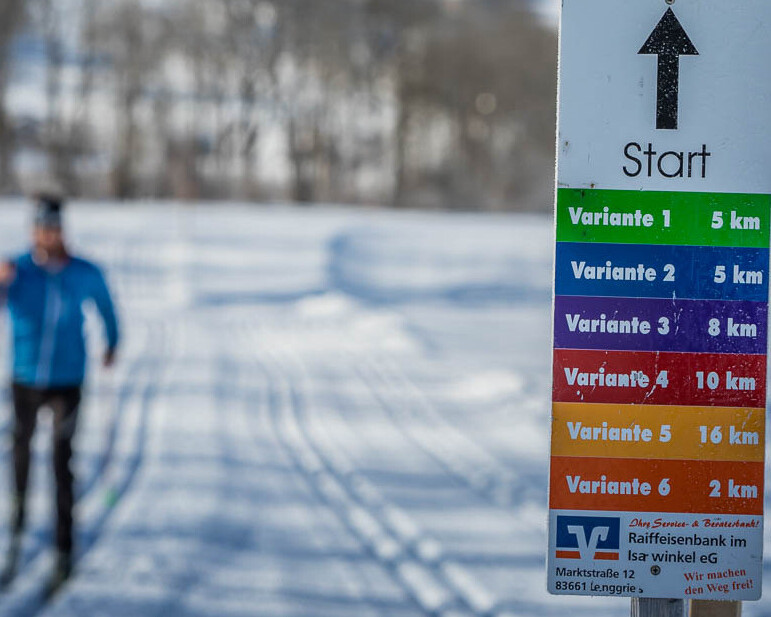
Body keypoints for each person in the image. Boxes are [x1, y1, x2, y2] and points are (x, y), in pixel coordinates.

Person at [0, 195, 120, 596]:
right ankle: (14, 532)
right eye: (41, 227)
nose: (48, 235)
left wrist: (112, 344)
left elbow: (107, 309)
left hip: (68, 380)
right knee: (20, 453)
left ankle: (65, 548)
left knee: (60, 460)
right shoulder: (16, 270)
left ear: (61, 230)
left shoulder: (83, 272)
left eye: (53, 228)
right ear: (33, 230)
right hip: (25, 378)